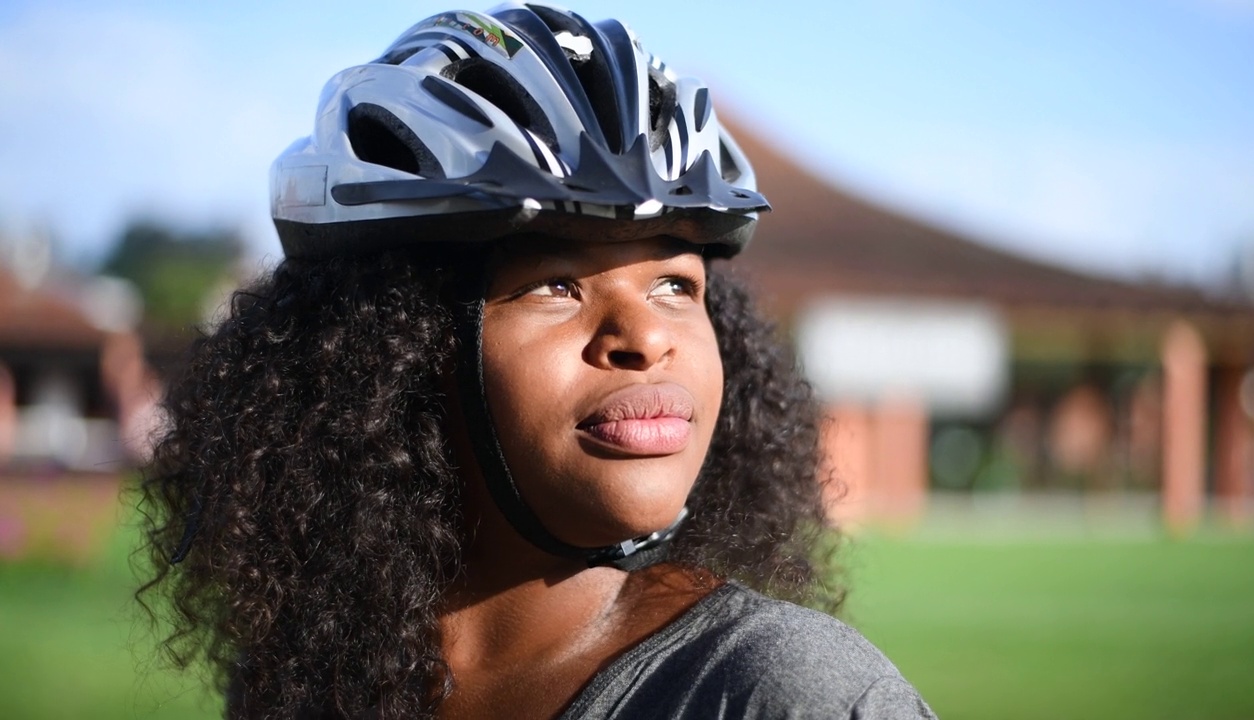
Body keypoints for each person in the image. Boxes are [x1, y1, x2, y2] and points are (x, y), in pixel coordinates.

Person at [137, 4, 937, 719]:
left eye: (672, 284)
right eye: (556, 285)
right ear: (395, 355)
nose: (646, 337)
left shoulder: (787, 692)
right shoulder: (305, 680)